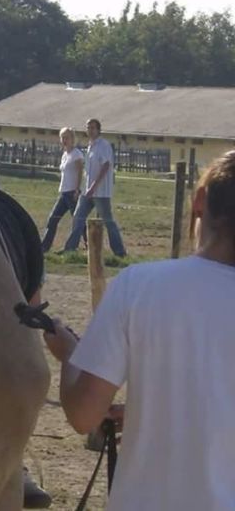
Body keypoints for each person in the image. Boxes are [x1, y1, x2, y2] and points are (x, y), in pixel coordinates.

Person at [44, 149, 235, 509]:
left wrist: (70, 353)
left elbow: (84, 414)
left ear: (200, 201)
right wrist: (149, 414)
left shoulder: (140, 286)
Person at [60, 118, 126, 257]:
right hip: (87, 191)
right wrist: (86, 187)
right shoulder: (90, 147)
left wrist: (94, 186)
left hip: (101, 192)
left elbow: (106, 166)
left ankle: (120, 253)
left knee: (108, 221)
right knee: (78, 217)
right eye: (88, 128)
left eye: (92, 128)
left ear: (98, 130)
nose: (90, 130)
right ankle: (70, 249)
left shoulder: (103, 145)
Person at [41, 127, 84, 252]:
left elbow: (80, 172)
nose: (64, 140)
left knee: (78, 221)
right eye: (62, 138)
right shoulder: (65, 154)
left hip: (72, 192)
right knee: (53, 219)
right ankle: (44, 247)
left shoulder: (76, 154)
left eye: (67, 138)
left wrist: (77, 190)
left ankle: (87, 245)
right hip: (64, 192)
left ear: (72, 139)